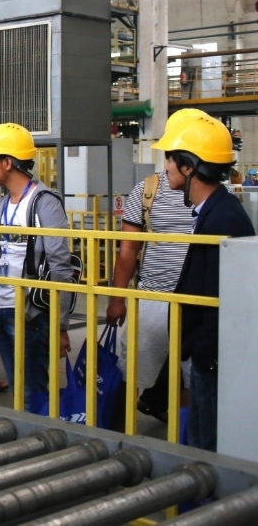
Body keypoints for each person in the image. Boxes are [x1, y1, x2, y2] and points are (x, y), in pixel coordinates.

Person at [151, 113, 255, 451]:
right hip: (208, 354)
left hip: (214, 357)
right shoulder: (213, 210)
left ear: (189, 167)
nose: (166, 166)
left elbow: (224, 295)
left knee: (207, 443)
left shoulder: (223, 219)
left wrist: (205, 355)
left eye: (171, 158)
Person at [0, 122, 75, 410]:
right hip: (3, 308)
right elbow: (4, 255)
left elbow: (60, 266)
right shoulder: (2, 204)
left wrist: (60, 325)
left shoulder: (44, 203)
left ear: (7, 162)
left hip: (32, 315)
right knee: (19, 390)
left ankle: (40, 434)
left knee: (33, 391)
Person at [107, 110, 202, 427]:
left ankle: (182, 432)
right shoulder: (147, 190)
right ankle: (120, 432)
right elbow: (128, 249)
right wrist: (117, 299)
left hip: (195, 301)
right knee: (133, 366)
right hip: (152, 299)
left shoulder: (219, 194)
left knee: (191, 374)